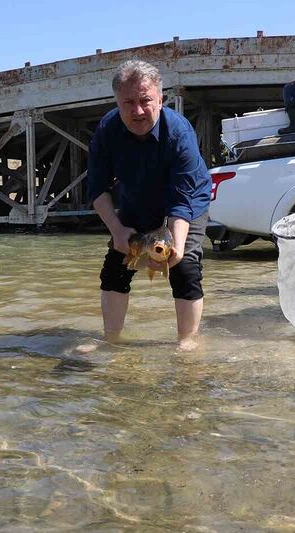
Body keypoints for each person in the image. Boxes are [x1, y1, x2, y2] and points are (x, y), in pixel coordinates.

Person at [87, 60, 212, 349]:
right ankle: (111, 340)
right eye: (128, 102)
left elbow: (182, 201)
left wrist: (176, 244)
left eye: (145, 101)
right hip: (137, 196)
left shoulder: (179, 133)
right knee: (116, 267)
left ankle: (188, 341)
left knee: (184, 268)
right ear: (117, 102)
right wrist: (117, 231)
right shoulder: (107, 130)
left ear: (161, 99)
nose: (138, 111)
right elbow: (97, 188)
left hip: (187, 199)